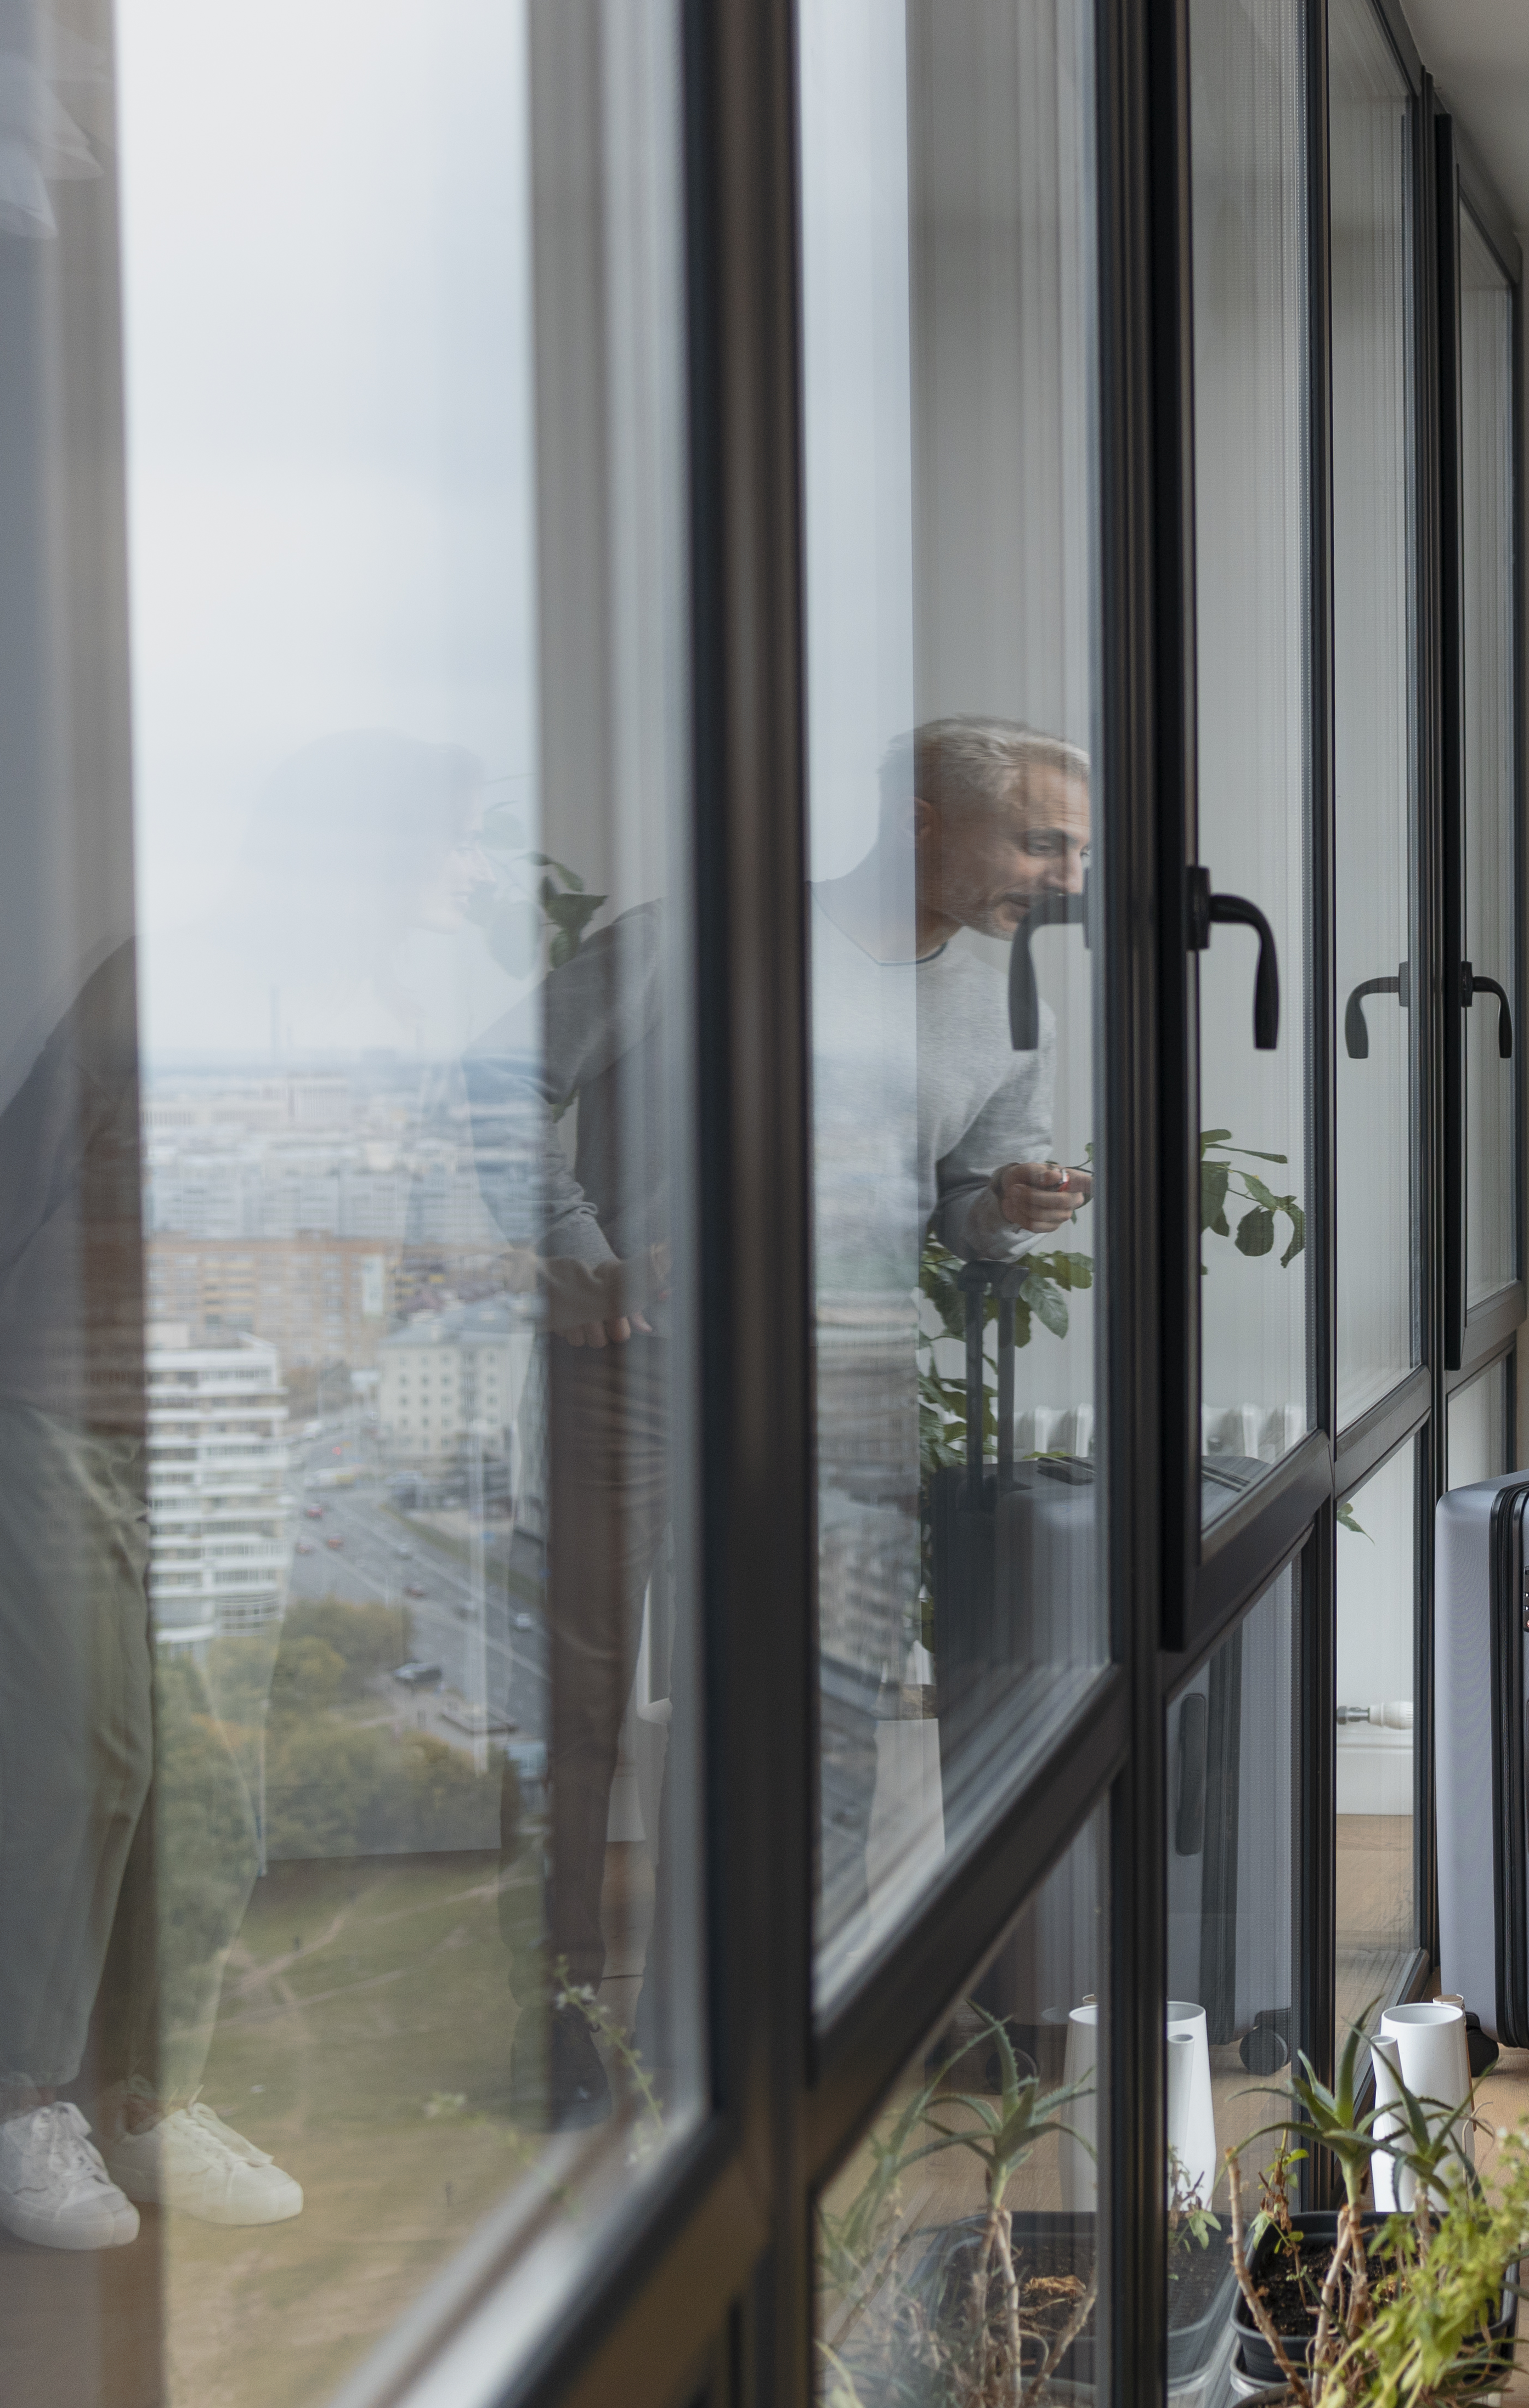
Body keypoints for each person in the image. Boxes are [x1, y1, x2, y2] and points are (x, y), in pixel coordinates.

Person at [466, 712, 1089, 2116]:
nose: (1060, 875)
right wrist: (578, 1251)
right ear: (925, 816)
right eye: (1040, 839)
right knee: (577, 1705)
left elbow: (958, 1204)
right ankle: (562, 2019)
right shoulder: (692, 940)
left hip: (844, 1371)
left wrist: (1007, 1207)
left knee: (828, 1706)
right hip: (637, 1367)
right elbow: (498, 1082)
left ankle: (761, 2024)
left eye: (1075, 850)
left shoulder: (1006, 995)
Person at [0, 947, 296, 2247]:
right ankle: (9, 2105)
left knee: (216, 1777)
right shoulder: (162, 971)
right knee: (70, 1761)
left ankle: (150, 2103)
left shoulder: (387, 1017)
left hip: (232, 1425)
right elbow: (7, 1190)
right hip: (62, 1411)